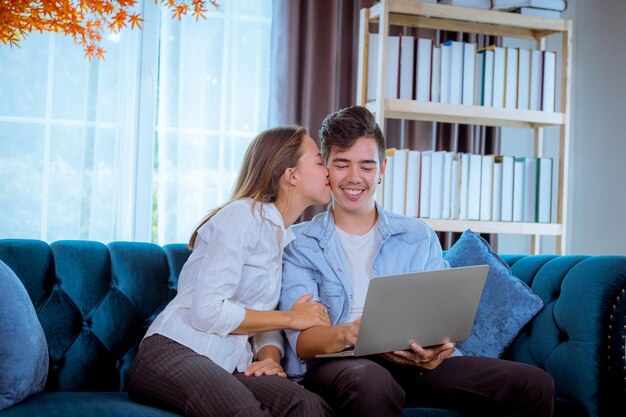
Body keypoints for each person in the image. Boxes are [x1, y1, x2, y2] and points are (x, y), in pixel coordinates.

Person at [277, 106, 556, 417]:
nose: (355, 178)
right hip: (341, 365)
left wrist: (437, 351)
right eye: (342, 164)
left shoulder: (417, 235)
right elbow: (303, 341)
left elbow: (444, 317)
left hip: (416, 364)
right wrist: (349, 334)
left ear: (382, 169)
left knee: (533, 384)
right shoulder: (299, 242)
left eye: (367, 167)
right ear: (326, 168)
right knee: (371, 381)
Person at [128, 125, 334, 417]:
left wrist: (270, 358)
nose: (329, 171)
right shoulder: (241, 216)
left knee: (310, 406)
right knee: (243, 413)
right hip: (174, 350)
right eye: (319, 161)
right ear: (292, 175)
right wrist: (292, 317)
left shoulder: (283, 239)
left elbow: (261, 321)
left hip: (230, 365)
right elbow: (207, 311)